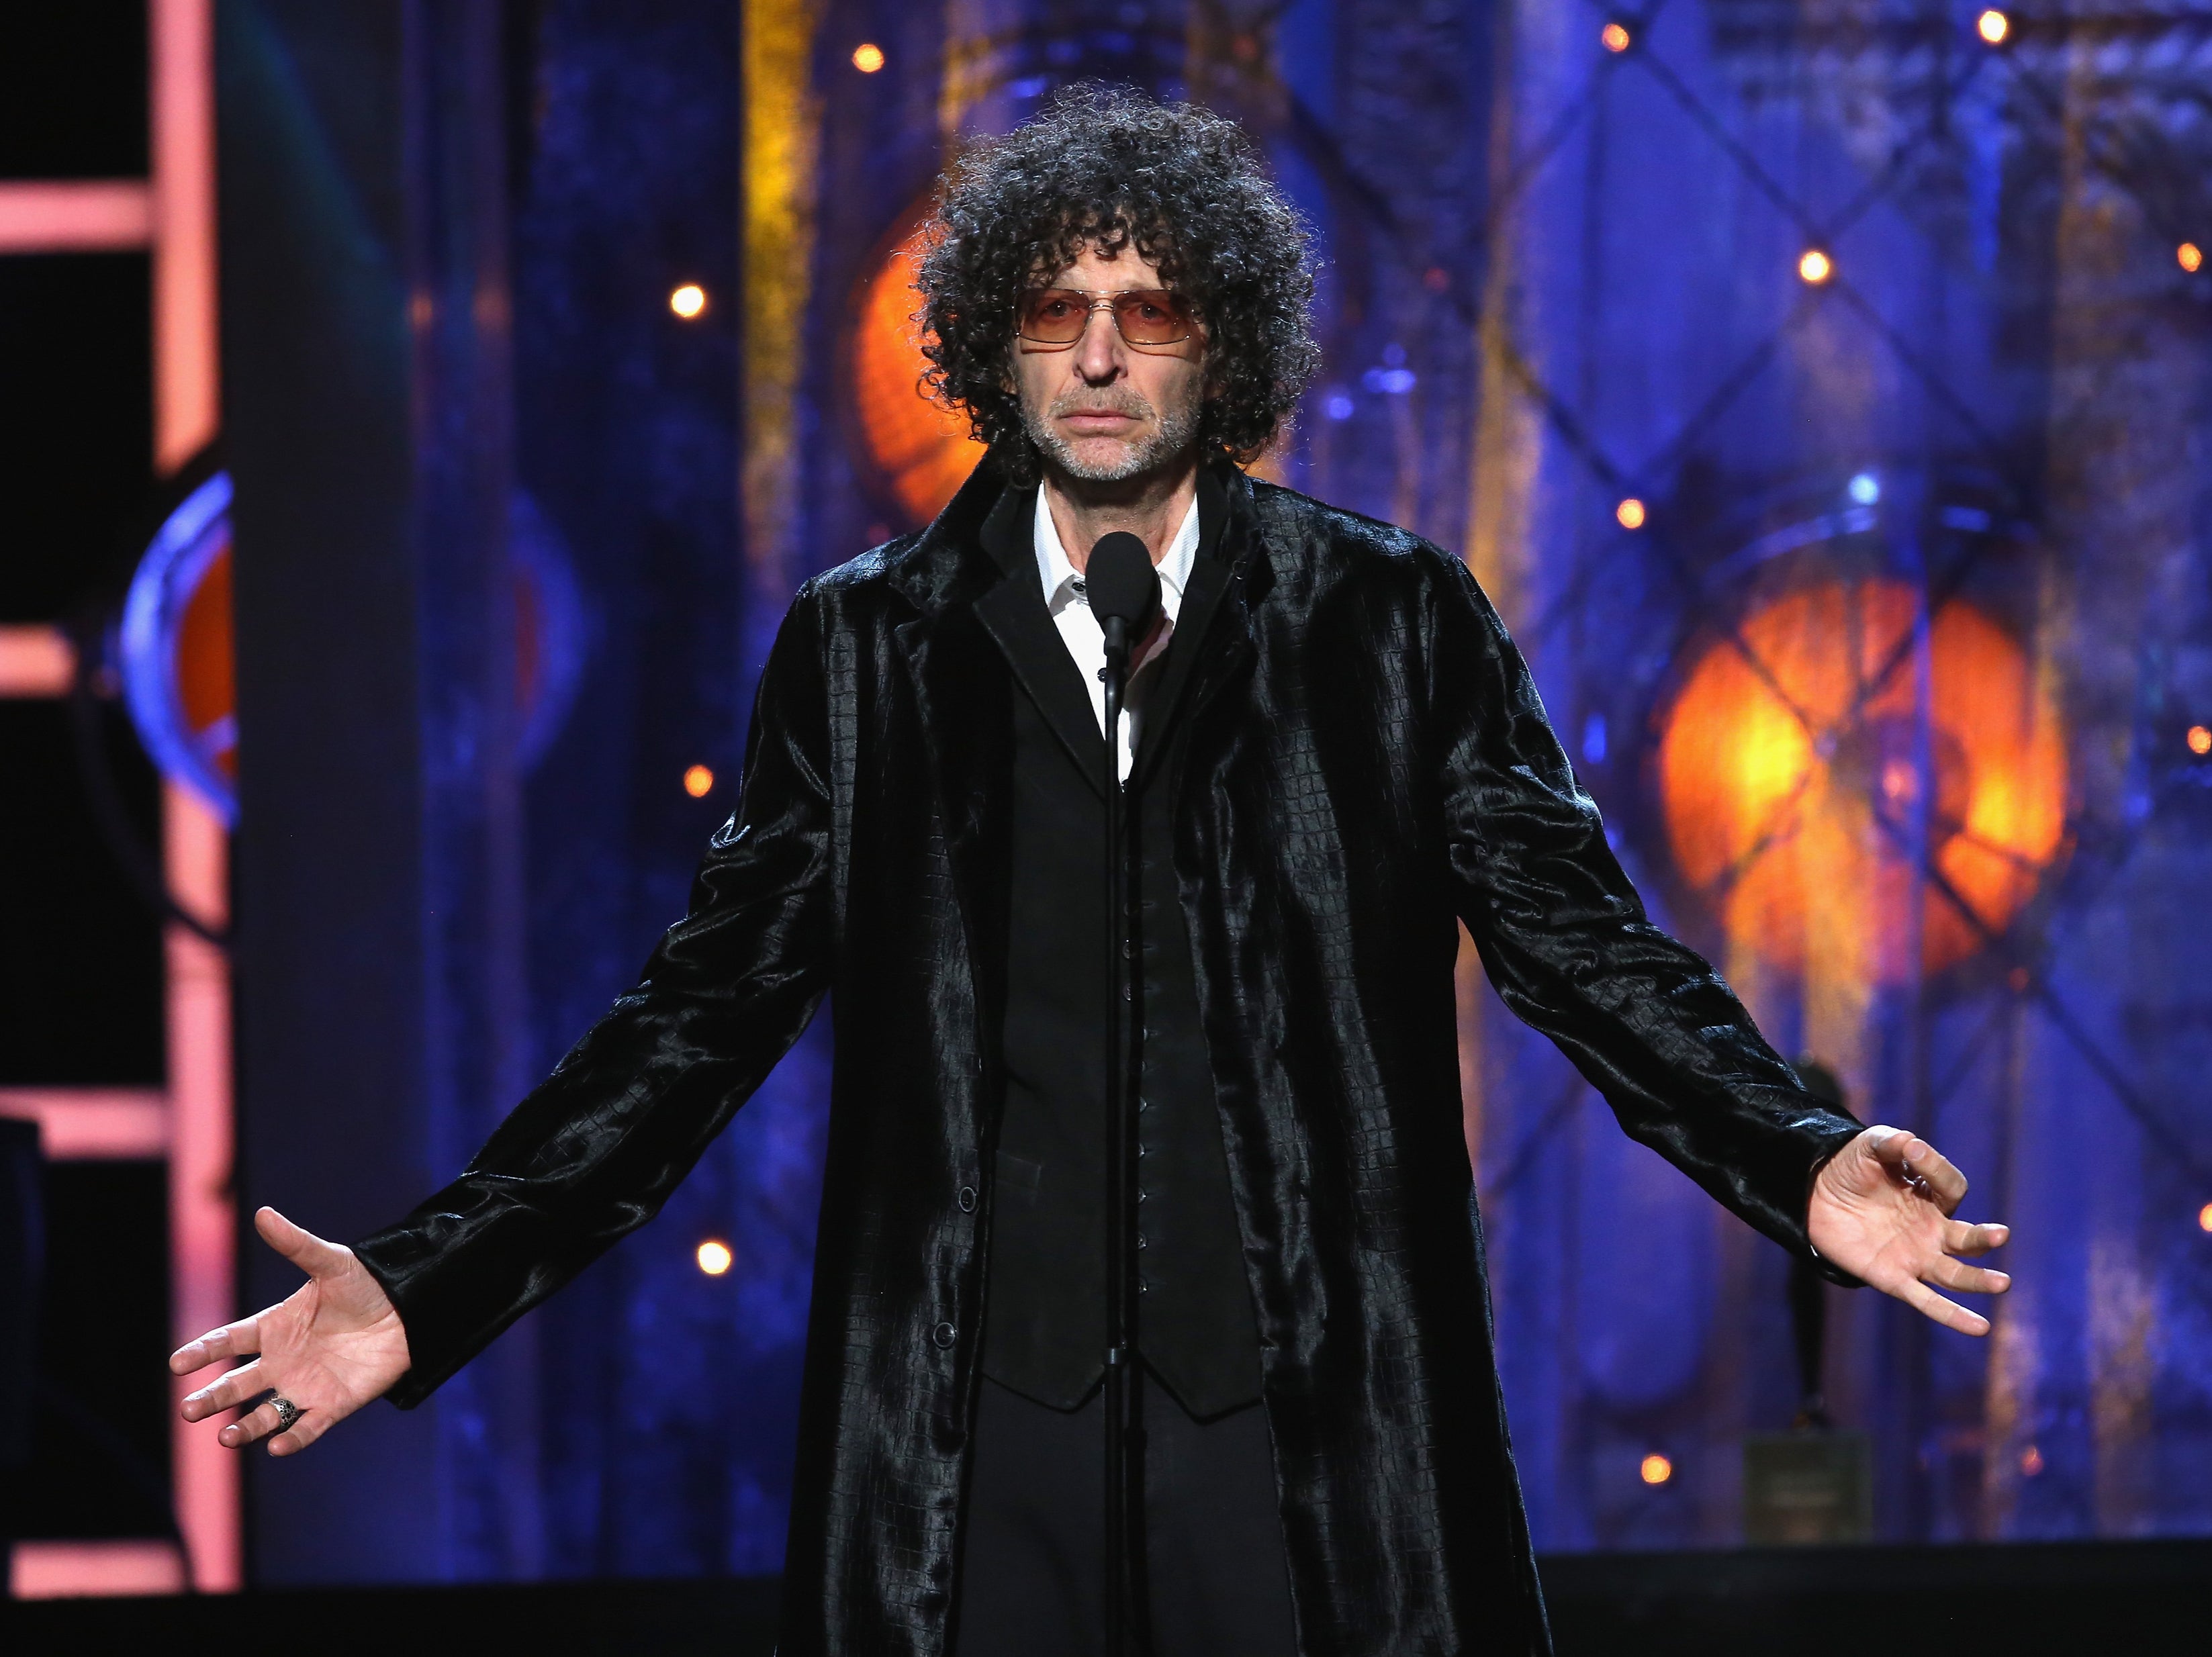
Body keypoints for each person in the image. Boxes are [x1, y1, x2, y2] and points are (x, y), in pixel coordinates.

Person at [172, 87, 2010, 1656]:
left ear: (1228, 341)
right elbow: (690, 1027)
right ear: (992, 340)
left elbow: (1583, 948)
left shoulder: (1385, 621)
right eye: (1061, 309)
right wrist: (428, 1283)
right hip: (978, 1469)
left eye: (1152, 306)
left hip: (1303, 1449)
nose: (1108, 350)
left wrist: (1790, 1152)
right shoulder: (869, 651)